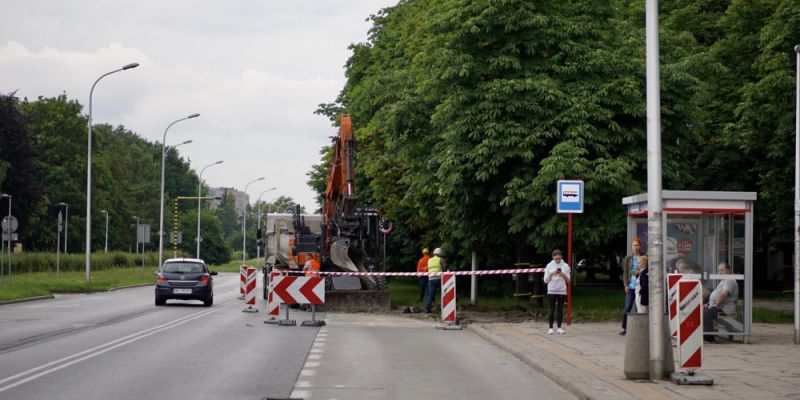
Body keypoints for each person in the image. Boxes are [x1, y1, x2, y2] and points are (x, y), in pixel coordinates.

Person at [703, 262, 739, 342]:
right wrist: (708, 304)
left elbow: (724, 294)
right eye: (719, 270)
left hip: (724, 308)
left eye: (722, 270)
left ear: (728, 270)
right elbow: (717, 294)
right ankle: (704, 335)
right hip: (717, 306)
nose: (720, 272)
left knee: (706, 315)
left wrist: (717, 303)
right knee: (700, 312)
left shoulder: (730, 280)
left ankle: (709, 338)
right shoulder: (724, 280)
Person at [544, 249, 570, 335]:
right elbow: (545, 280)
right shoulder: (549, 265)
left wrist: (563, 274)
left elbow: (568, 280)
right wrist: (551, 274)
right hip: (551, 290)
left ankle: (559, 327)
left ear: (561, 257)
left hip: (562, 290)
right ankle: (550, 328)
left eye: (559, 258)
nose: (558, 260)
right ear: (553, 257)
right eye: (556, 259)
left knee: (560, 309)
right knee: (551, 309)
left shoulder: (565, 265)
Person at [619, 237, 643, 335]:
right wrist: (625, 285)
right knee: (627, 307)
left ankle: (637, 329)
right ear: (631, 247)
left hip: (640, 286)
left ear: (640, 246)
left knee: (639, 308)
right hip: (631, 286)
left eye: (637, 245)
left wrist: (638, 272)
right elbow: (625, 272)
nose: (635, 247)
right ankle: (625, 328)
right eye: (634, 245)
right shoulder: (628, 258)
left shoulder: (644, 257)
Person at [424, 247, 445, 313]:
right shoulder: (441, 259)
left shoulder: (429, 260)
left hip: (431, 279)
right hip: (439, 278)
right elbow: (444, 268)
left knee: (430, 295)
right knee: (444, 292)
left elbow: (428, 268)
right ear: (440, 254)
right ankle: (444, 307)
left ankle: (427, 308)